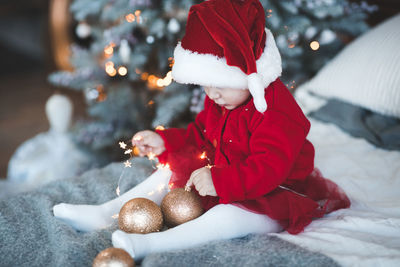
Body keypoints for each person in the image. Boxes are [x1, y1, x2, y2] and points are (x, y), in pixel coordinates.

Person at [54, 0, 350, 260]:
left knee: (231, 216)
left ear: (251, 75)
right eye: (206, 84)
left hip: (273, 190)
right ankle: (106, 213)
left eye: (220, 84)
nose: (212, 93)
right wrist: (165, 141)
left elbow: (269, 168)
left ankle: (153, 244)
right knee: (169, 171)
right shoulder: (222, 101)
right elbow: (200, 134)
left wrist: (221, 181)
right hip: (225, 175)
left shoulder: (276, 113)